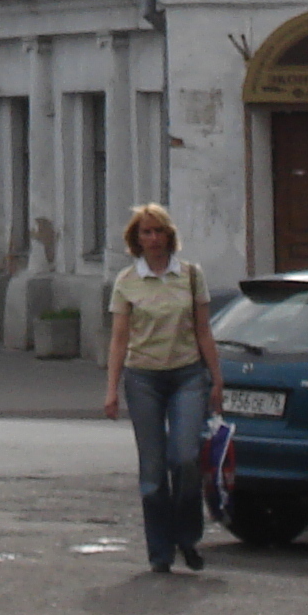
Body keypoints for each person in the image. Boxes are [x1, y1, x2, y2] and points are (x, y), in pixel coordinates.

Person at [100, 203, 224, 575]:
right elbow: (119, 339)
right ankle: (160, 551)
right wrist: (111, 389)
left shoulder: (189, 276)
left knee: (184, 458)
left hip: (187, 375)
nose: (154, 239)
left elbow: (203, 330)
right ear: (136, 240)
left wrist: (216, 379)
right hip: (144, 379)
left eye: (159, 232)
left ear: (170, 236)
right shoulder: (127, 282)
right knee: (153, 472)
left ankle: (188, 537)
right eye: (146, 233)